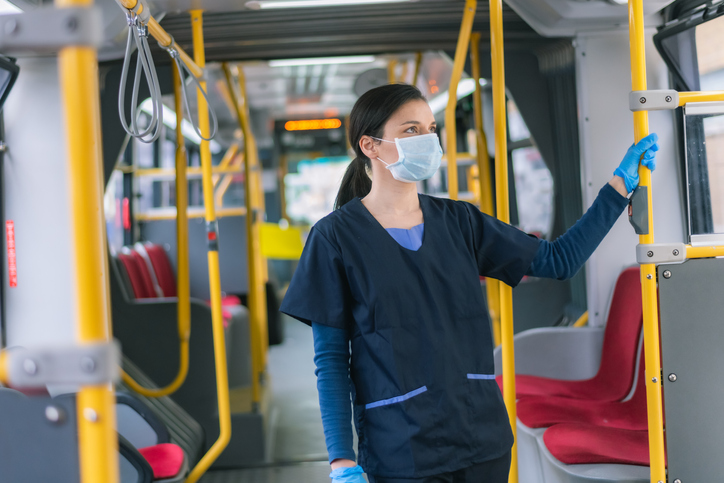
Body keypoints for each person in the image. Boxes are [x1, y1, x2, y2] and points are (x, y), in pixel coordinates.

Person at [279, 84, 658, 483]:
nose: (427, 140)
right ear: (370, 146)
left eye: (430, 128)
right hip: (401, 451)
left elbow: (559, 261)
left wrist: (618, 188)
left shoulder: (461, 222)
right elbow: (332, 361)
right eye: (411, 130)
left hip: (481, 440)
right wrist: (341, 458)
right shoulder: (334, 239)